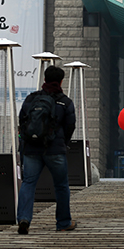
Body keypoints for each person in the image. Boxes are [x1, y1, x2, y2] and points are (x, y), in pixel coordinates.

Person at [16, 66, 77, 234]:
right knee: (61, 186)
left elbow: (22, 120)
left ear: (44, 79)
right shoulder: (65, 102)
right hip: (55, 150)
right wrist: (63, 142)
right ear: (61, 81)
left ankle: (24, 219)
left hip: (32, 149)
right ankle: (63, 222)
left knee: (28, 183)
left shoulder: (31, 99)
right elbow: (70, 125)